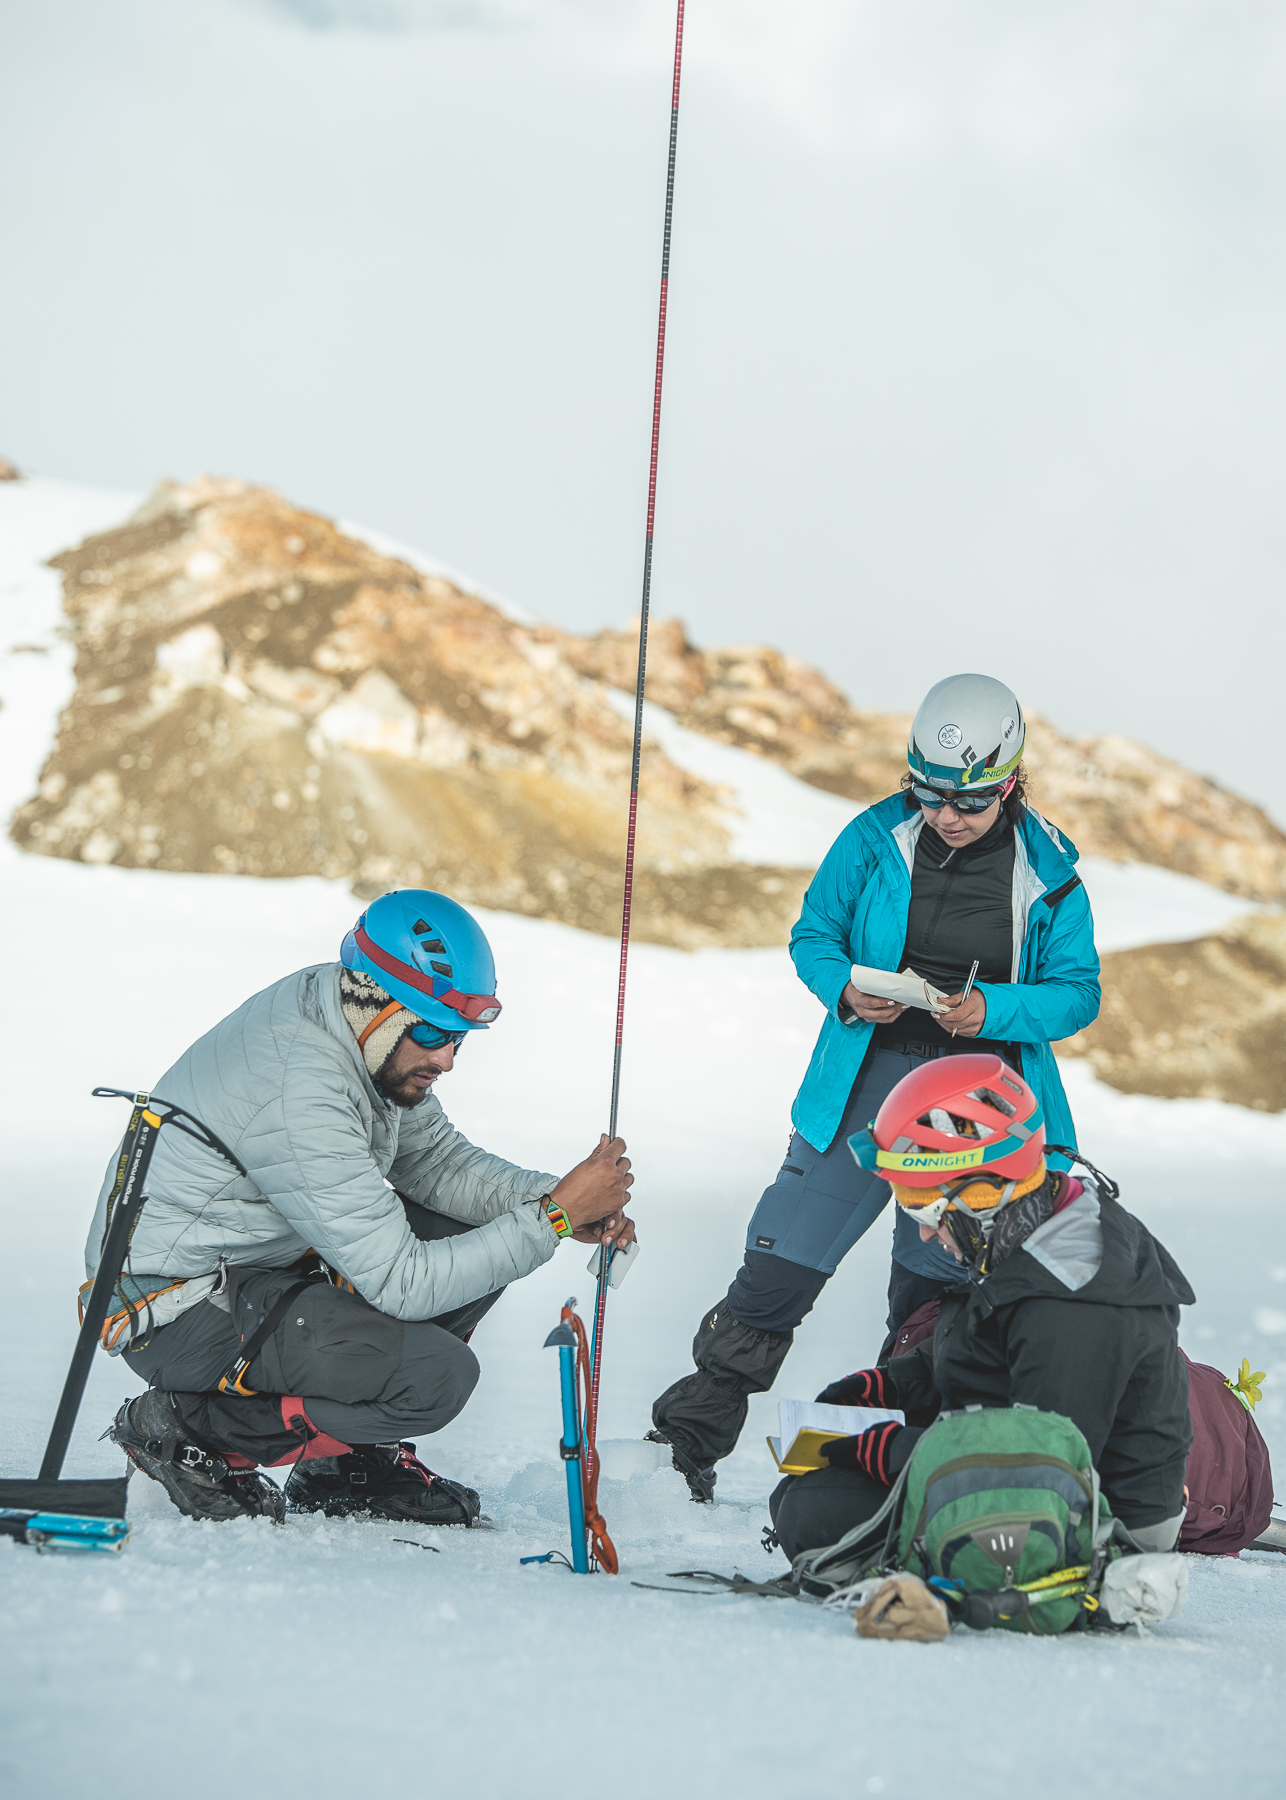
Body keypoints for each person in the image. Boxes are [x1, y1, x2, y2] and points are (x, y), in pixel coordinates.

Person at [650, 673, 1101, 1500]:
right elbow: (813, 932)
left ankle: (916, 1465)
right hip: (868, 1073)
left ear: (1010, 779)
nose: (946, 815)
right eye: (928, 794)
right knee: (782, 1254)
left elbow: (1079, 991)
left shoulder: (1050, 868)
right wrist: (843, 990)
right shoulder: (871, 837)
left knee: (937, 1287)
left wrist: (992, 1008)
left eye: (968, 800)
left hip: (979, 1093)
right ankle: (683, 1446)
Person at [95, 889, 635, 1525]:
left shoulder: (353, 1027)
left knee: (475, 1224)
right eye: (432, 1032)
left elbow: (434, 1163)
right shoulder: (304, 1081)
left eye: (459, 1037)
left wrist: (555, 1198)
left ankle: (345, 1462)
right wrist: (553, 1217)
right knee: (435, 1377)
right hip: (179, 1308)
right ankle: (185, 1429)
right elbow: (402, 1283)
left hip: (257, 1269)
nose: (446, 1059)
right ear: (373, 1002)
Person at [769, 1054, 1193, 1562]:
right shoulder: (1036, 1217)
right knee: (811, 1488)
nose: (923, 1231)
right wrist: (897, 1383)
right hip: (1038, 1453)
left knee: (815, 1511)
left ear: (983, 1190)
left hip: (1096, 1517)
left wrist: (895, 1452)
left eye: (922, 1205)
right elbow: (993, 1347)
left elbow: (1044, 1461)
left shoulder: (1072, 1299)